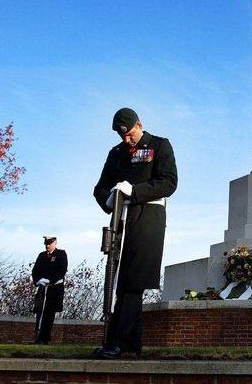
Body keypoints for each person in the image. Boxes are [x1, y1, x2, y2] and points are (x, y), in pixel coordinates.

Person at [93, 107, 177, 359]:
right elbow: (100, 187)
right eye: (123, 137)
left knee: (132, 280)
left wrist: (135, 191)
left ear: (139, 124)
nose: (127, 140)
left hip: (147, 219)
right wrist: (109, 198)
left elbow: (169, 182)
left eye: (130, 134)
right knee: (119, 279)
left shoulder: (159, 146)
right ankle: (131, 343)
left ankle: (116, 342)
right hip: (121, 217)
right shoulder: (116, 154)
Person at [31, 235, 67, 344]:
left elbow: (62, 270)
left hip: (54, 289)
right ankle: (38, 337)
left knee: (49, 314)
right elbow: (35, 270)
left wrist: (50, 280)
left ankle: (44, 338)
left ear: (55, 243)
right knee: (40, 312)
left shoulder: (61, 254)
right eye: (46, 244)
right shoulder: (42, 256)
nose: (47, 246)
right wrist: (38, 280)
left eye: (49, 244)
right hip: (43, 288)